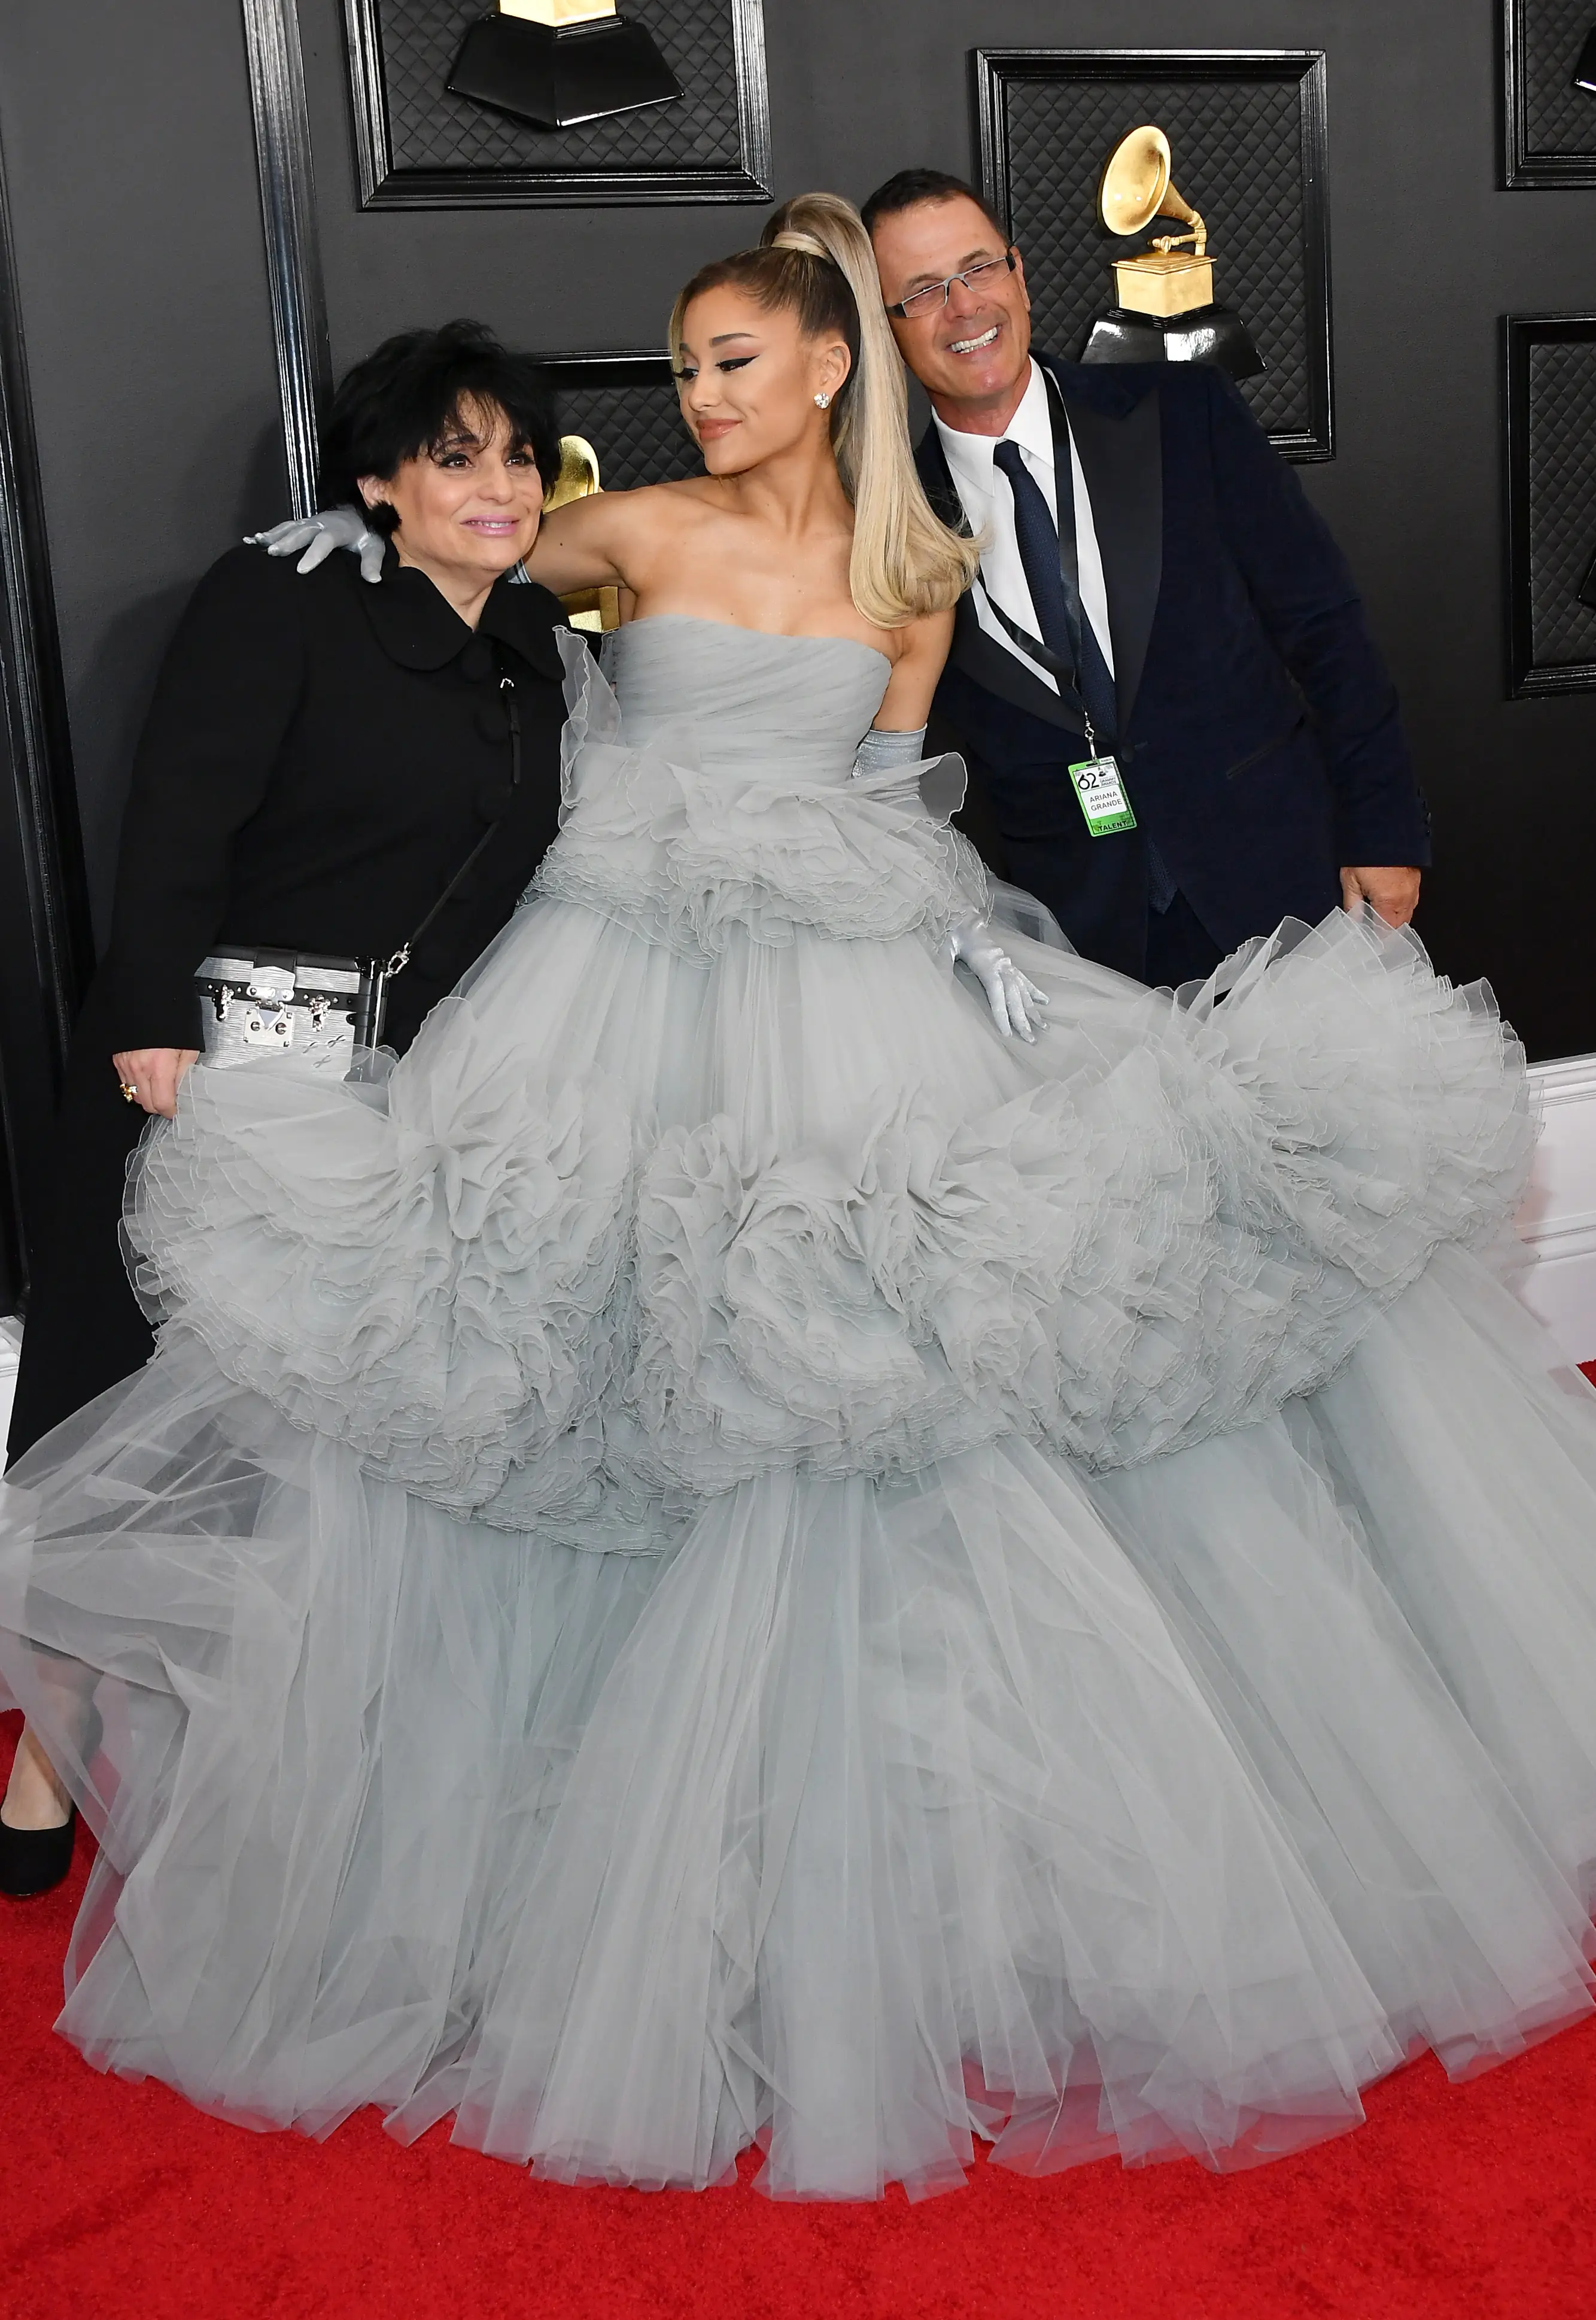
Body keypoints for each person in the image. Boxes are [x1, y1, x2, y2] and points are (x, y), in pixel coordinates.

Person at [5, 192, 1596, 2207]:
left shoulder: (909, 571)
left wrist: (984, 976)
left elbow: (894, 798)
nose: (697, 395)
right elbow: (470, 546)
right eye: (683, 369)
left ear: (827, 364)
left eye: (731, 362)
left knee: (887, 1356)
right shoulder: (631, 530)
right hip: (610, 988)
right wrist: (357, 525)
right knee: (590, 1355)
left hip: (849, 982)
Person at [0, 320, 573, 1896]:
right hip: (207, 1075)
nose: (500, 484)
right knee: (134, 1417)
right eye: (453, 455)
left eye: (520, 455)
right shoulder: (284, 597)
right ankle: (53, 1736)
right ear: (376, 485)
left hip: (392, 1104)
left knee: (282, 1445)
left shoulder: (543, 647)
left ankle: (238, 1778)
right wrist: (148, 1028)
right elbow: (178, 806)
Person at [862, 168, 1430, 986]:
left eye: (978, 268)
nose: (963, 306)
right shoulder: (889, 523)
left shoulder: (1185, 411)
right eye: (921, 291)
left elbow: (1325, 625)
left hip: (1285, 885)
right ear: (885, 328)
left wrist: (1383, 828)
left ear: (1019, 276)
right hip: (1079, 945)